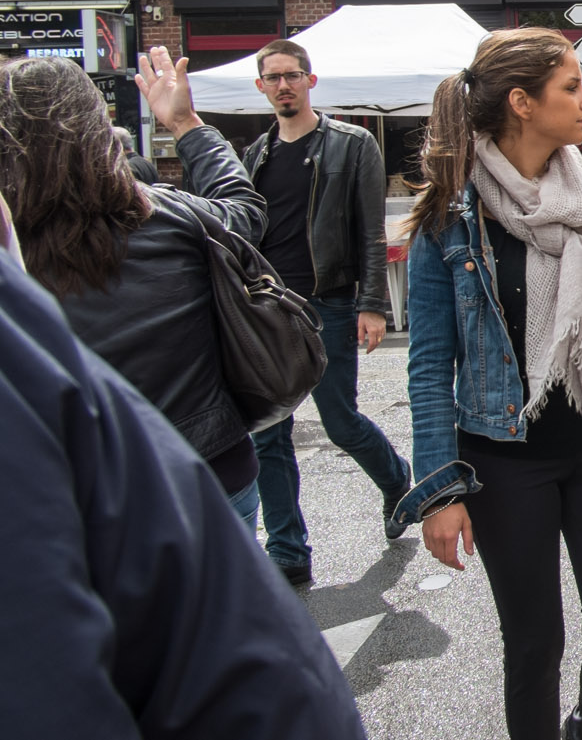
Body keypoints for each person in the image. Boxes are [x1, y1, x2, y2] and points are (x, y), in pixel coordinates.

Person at [398, 27, 582, 740]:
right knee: (534, 645)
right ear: (522, 102)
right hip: (504, 456)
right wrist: (439, 491)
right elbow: (429, 364)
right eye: (572, 87)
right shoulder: (449, 216)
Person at [0, 237, 367, 740]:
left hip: (192, 472)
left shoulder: (27, 307)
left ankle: (291, 545)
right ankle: (289, 545)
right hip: (213, 464)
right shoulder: (174, 217)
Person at [1, 50, 268, 522]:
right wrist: (186, 123)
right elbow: (242, 208)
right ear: (95, 128)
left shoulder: (13, 247)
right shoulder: (167, 215)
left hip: (67, 498)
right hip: (207, 474)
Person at [242, 38, 409, 585]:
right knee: (269, 433)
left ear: (310, 81)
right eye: (274, 78)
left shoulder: (352, 144)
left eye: (292, 76)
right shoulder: (256, 155)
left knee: (340, 422)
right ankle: (288, 550)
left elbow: (368, 229)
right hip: (269, 309)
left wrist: (372, 305)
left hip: (328, 303)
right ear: (261, 86)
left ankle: (395, 479)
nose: (283, 85)